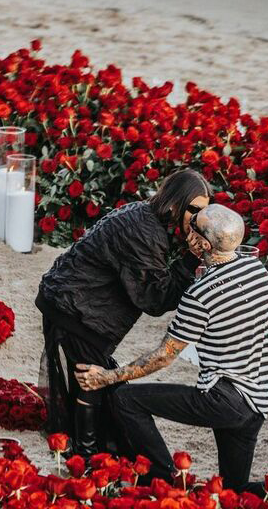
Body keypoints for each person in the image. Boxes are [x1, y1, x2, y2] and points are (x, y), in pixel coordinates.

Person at [75, 204, 268, 492]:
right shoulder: (256, 270)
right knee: (234, 492)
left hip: (223, 399)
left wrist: (106, 377)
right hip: (256, 403)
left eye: (194, 227)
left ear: (203, 244)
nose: (187, 229)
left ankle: (167, 480)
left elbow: (164, 356)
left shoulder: (200, 295)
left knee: (126, 399)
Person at [35, 169, 212, 456]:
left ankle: (87, 448)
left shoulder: (148, 217)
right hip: (74, 307)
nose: (197, 219)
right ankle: (86, 454)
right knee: (90, 379)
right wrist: (190, 260)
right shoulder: (145, 231)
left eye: (203, 212)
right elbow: (153, 299)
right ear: (174, 202)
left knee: (96, 380)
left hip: (74, 301)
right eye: (192, 210)